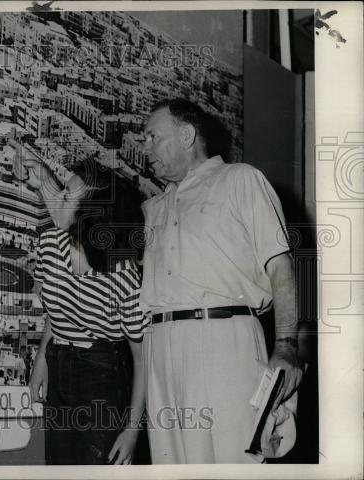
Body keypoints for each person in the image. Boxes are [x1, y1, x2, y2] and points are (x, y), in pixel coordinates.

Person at [140, 98, 303, 464]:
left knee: (233, 464)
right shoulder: (154, 207)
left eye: (152, 135)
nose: (143, 145)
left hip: (222, 340)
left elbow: (280, 266)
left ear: (186, 135)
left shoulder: (240, 179)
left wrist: (287, 344)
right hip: (161, 348)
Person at [25, 158, 148, 465]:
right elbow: (56, 314)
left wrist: (131, 431)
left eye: (68, 195)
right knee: (57, 466)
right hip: (59, 362)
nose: (59, 198)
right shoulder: (49, 243)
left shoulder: (121, 270)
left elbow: (143, 357)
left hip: (103, 374)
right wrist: (41, 361)